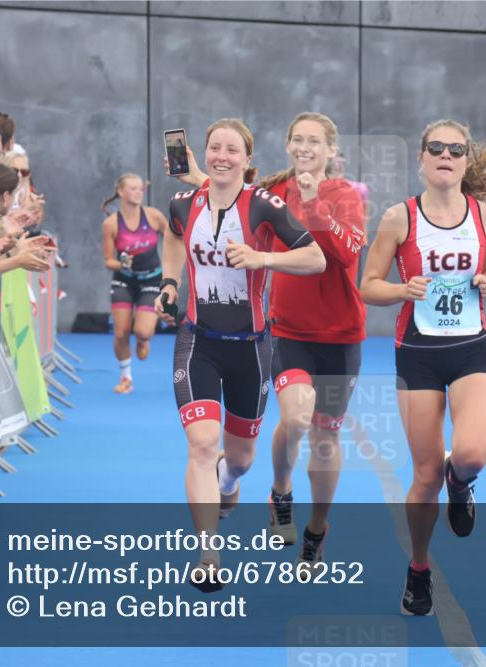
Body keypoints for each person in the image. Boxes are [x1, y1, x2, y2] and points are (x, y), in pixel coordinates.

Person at [178, 113, 366, 561]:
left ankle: (318, 526)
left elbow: (340, 254)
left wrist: (315, 204)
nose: (305, 147)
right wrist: (200, 174)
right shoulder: (275, 192)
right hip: (285, 330)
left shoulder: (347, 196)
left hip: (341, 335)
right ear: (287, 145)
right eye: (297, 139)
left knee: (324, 437)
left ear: (331, 151)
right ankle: (280, 491)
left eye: (315, 141)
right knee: (298, 418)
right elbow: (235, 196)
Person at [156, 118, 325, 591]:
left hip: (251, 349)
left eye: (233, 150)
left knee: (241, 459)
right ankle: (208, 556)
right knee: (201, 445)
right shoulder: (183, 203)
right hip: (198, 343)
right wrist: (170, 283)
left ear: (248, 161)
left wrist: (262, 258)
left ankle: (229, 483)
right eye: (215, 148)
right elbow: (172, 235)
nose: (223, 156)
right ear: (203, 155)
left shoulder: (263, 206)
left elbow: (316, 259)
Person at [360, 119, 486, 616]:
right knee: (424, 474)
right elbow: (368, 285)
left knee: (469, 455)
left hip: (471, 348)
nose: (446, 155)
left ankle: (462, 482)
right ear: (422, 160)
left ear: (466, 161)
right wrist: (403, 290)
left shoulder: (484, 215)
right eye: (436, 148)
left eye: (456, 149)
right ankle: (419, 569)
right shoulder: (398, 218)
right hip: (419, 353)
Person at [101, 173, 167, 394]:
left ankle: (143, 339)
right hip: (125, 280)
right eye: (133, 188)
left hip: (152, 279)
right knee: (121, 333)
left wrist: (172, 270)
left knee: (143, 331)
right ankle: (126, 377)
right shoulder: (111, 224)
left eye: (141, 188)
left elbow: (175, 239)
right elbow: (108, 261)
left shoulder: (154, 216)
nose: (139, 192)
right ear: (121, 191)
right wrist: (121, 264)